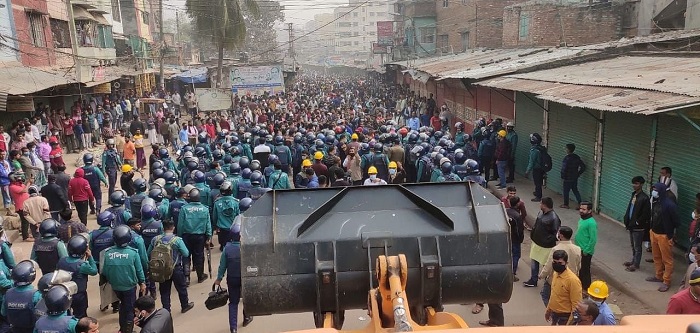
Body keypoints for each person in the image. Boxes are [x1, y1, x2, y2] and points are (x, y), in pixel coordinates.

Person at [101, 225, 147, 333]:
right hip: (129, 287)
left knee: (123, 307)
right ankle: (128, 330)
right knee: (130, 309)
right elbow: (139, 270)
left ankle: (122, 329)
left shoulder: (108, 253)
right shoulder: (133, 253)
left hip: (116, 287)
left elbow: (105, 271)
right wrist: (142, 283)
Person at [147, 220, 194, 313]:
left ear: (162, 228)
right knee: (181, 288)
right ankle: (185, 305)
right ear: (173, 228)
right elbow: (186, 253)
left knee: (164, 291)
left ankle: (166, 310)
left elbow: (149, 253)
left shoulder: (155, 239)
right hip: (175, 268)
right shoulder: (177, 240)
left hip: (161, 269)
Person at [215, 223, 253, 333]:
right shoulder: (247, 247)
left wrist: (219, 278)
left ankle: (233, 328)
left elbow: (222, 265)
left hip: (232, 278)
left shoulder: (227, 248)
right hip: (246, 278)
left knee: (233, 302)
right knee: (246, 299)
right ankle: (246, 317)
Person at [538, 226, 581, 307]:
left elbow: (549, 265)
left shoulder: (556, 249)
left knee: (546, 295)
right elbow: (579, 265)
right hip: (572, 278)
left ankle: (552, 310)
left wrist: (542, 275)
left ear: (561, 235)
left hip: (556, 278)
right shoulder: (577, 249)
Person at [647, 182, 679, 292]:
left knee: (667, 260)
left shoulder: (670, 205)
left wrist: (671, 234)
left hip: (664, 236)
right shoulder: (656, 202)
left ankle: (666, 281)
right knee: (656, 257)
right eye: (653, 189)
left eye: (656, 189)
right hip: (654, 232)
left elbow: (676, 221)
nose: (654, 191)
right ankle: (658, 275)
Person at [57, 235, 98, 319]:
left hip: (64, 293)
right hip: (79, 295)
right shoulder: (82, 265)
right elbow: (94, 271)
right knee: (81, 315)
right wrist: (90, 257)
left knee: (67, 315)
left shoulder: (62, 261)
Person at [524, 197, 561, 288]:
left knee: (546, 265)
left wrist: (547, 240)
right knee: (534, 262)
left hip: (546, 247)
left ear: (544, 205)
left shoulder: (554, 218)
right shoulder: (541, 213)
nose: (539, 205)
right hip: (536, 243)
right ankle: (533, 280)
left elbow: (556, 234)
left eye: (541, 203)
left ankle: (548, 282)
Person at [177, 188, 212, 283]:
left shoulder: (184, 209)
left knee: (185, 255)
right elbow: (208, 224)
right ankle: (200, 276)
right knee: (199, 256)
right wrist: (209, 236)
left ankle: (186, 277)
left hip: (186, 236)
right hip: (200, 237)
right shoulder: (204, 209)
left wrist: (179, 236)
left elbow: (180, 224)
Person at [544, 250, 582, 325]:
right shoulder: (555, 274)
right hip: (554, 314)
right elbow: (553, 294)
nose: (556, 265)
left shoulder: (573, 280)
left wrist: (569, 325)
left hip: (565, 317)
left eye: (560, 263)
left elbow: (576, 305)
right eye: (554, 262)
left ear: (566, 263)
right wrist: (548, 310)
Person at [2, 260, 41, 333]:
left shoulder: (7, 294)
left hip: (14, 329)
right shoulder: (36, 295)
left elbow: (3, 313)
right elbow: (42, 317)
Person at [623, 176, 650, 272]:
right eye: (633, 183)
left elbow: (646, 214)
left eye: (636, 183)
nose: (634, 185)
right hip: (631, 225)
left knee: (637, 246)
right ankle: (633, 261)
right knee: (633, 245)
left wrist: (638, 222)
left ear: (641, 184)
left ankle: (636, 264)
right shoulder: (634, 195)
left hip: (638, 227)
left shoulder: (644, 198)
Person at [574, 201, 597, 290]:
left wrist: (586, 251)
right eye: (580, 208)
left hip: (585, 251)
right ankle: (580, 287)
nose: (581, 211)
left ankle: (587, 288)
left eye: (584, 209)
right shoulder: (582, 219)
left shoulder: (591, 223)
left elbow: (593, 239)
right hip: (579, 249)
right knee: (580, 269)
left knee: (585, 270)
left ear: (589, 210)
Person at [560, 144, 586, 209]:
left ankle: (566, 204)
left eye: (566, 148)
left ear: (568, 150)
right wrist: (578, 174)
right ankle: (580, 203)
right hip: (574, 177)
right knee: (575, 190)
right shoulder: (577, 157)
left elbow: (564, 168)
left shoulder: (567, 158)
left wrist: (562, 176)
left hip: (567, 178)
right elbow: (583, 167)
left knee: (566, 191)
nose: (565, 149)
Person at [8, 172, 33, 241]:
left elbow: (26, 187)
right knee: (25, 221)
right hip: (21, 207)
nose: (20, 178)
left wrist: (29, 181)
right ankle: (25, 237)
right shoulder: (12, 187)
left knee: (27, 221)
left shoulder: (19, 184)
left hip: (25, 205)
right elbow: (24, 190)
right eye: (17, 177)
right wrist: (28, 183)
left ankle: (26, 234)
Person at [525, 133, 545, 202]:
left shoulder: (534, 150)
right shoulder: (541, 148)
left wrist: (527, 171)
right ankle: (537, 192)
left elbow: (531, 162)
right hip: (541, 168)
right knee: (538, 182)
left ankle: (538, 196)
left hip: (537, 169)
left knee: (537, 183)